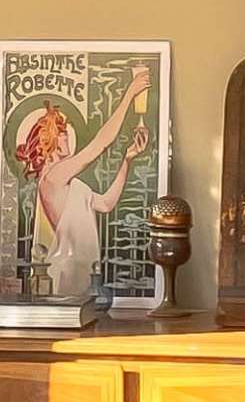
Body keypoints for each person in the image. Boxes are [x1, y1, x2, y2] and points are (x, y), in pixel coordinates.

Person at [14, 67, 152, 300]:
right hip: (66, 278)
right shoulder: (52, 178)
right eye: (61, 131)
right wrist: (130, 94)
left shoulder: (71, 182)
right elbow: (100, 145)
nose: (67, 134)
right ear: (47, 139)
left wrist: (127, 159)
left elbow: (106, 204)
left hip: (83, 275)